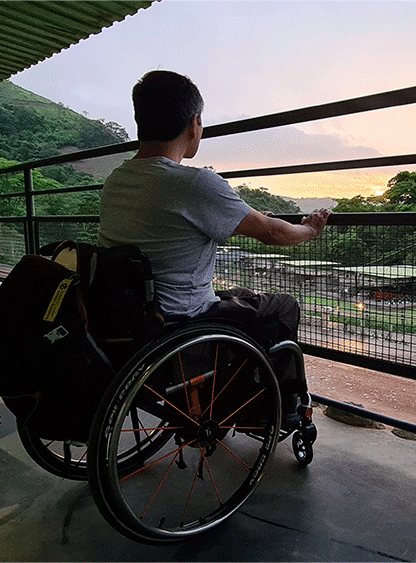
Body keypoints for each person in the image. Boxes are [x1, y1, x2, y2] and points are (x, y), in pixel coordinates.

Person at [98, 70, 330, 421]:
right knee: (282, 306)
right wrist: (310, 229)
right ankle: (275, 409)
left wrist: (244, 216)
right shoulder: (194, 184)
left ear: (139, 122)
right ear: (194, 125)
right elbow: (274, 233)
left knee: (237, 294)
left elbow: (170, 229)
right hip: (183, 322)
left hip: (129, 318)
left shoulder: (117, 180)